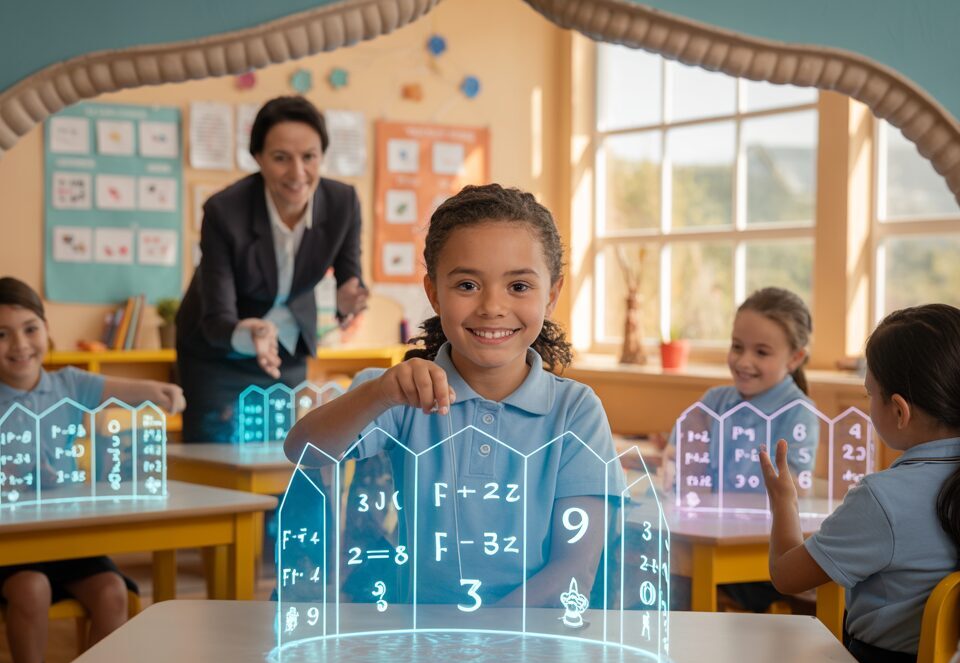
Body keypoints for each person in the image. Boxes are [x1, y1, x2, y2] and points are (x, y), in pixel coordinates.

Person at [284, 184, 619, 609]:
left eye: (518, 286)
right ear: (433, 293)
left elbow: (573, 570)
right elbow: (303, 451)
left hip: (536, 651)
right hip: (420, 648)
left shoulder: (576, 411)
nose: (492, 307)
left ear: (551, 295)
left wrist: (481, 639)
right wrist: (379, 393)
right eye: (466, 284)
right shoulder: (399, 395)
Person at [762, 303, 960, 663]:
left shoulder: (882, 499)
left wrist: (783, 502)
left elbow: (786, 575)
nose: (867, 404)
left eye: (869, 393)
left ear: (899, 411)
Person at [0, 277, 185, 663]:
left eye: (29, 328)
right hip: (13, 548)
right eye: (0, 334)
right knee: (31, 589)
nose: (19, 345)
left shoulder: (69, 383)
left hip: (69, 536)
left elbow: (140, 390)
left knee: (112, 593)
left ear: (46, 330)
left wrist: (167, 395)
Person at [176, 95, 368, 443]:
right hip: (218, 353)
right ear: (258, 158)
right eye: (281, 158)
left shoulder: (343, 202)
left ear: (321, 155)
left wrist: (348, 300)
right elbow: (217, 315)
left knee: (284, 458)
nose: (298, 173)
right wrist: (248, 332)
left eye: (308, 157)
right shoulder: (224, 211)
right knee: (217, 459)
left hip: (287, 350)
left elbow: (349, 277)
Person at [661, 287, 816, 612]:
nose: (744, 362)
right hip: (701, 539)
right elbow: (683, 469)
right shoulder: (715, 400)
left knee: (676, 591)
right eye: (736, 347)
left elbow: (792, 494)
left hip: (760, 555)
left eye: (761, 352)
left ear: (795, 358)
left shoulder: (799, 413)